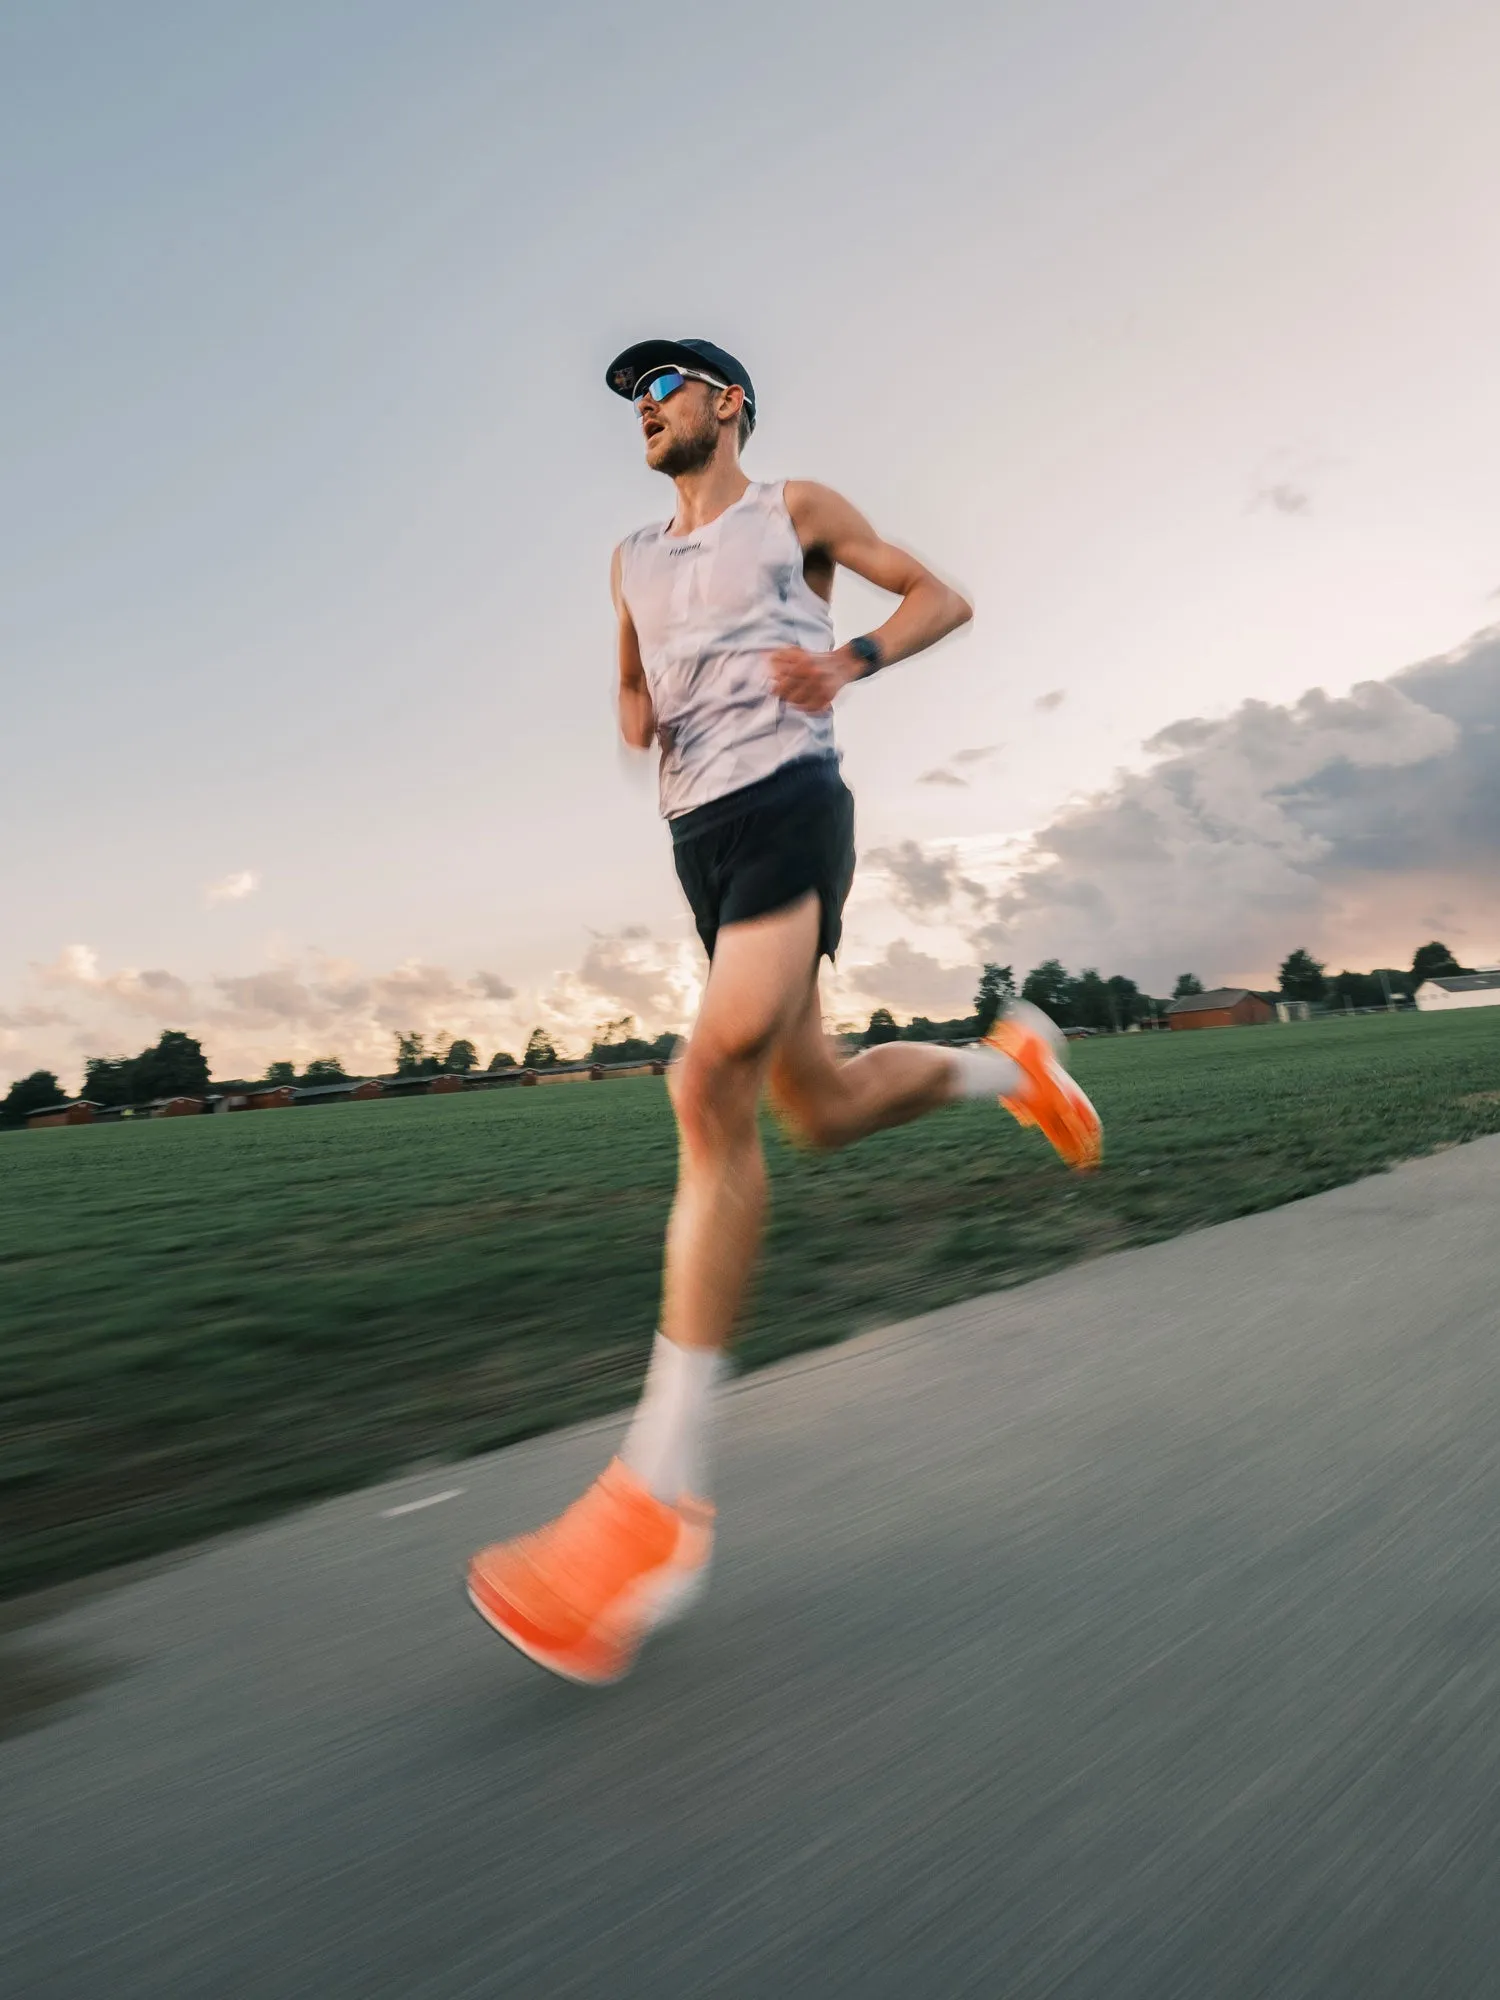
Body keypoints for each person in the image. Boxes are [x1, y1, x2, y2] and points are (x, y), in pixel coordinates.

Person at [467, 337, 1101, 1683]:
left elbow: (943, 596)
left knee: (706, 1090)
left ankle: (653, 1504)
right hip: (699, 841)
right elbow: (631, 680)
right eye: (632, 400)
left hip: (792, 806)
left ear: (725, 403)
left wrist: (852, 658)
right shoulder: (629, 555)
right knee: (813, 1108)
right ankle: (1015, 1069)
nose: (644, 411)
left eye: (665, 389)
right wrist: (637, 713)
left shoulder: (794, 511)